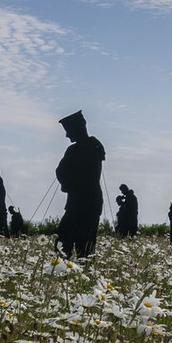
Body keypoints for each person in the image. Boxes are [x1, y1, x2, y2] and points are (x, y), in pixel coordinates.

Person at [55, 110, 106, 258]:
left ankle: (79, 274)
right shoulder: (88, 147)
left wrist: (68, 183)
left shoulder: (88, 148)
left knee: (84, 245)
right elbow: (61, 171)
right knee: (64, 240)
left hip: (86, 202)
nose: (67, 135)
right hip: (79, 201)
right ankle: (63, 273)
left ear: (78, 128)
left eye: (69, 131)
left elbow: (65, 171)